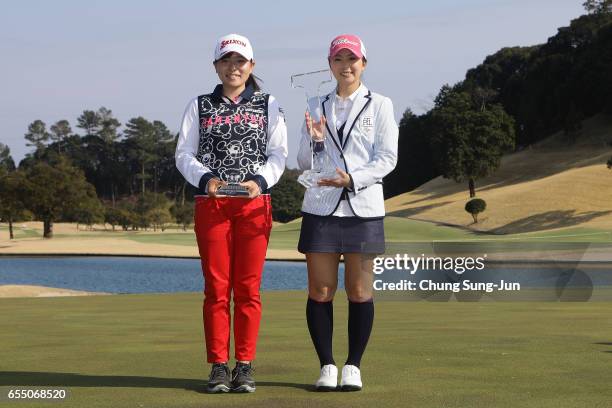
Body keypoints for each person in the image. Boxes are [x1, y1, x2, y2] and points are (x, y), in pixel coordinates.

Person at [175, 33, 287, 393]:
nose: (233, 67)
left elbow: (278, 155)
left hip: (254, 204)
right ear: (216, 66)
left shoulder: (269, 104)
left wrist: (259, 181)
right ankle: (219, 366)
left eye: (240, 61)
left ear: (251, 66)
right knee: (217, 289)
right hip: (212, 205)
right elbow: (183, 154)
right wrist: (206, 179)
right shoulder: (199, 105)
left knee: (248, 289)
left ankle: (245, 365)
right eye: (226, 61)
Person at [297, 34, 398, 391]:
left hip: (364, 207)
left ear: (363, 64)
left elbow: (387, 158)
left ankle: (353, 365)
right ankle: (326, 365)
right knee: (321, 290)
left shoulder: (380, 105)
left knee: (359, 291)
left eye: (351, 59)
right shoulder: (315, 104)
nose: (346, 66)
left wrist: (352, 178)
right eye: (338, 60)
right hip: (322, 208)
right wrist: (316, 140)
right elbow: (304, 162)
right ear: (330, 65)